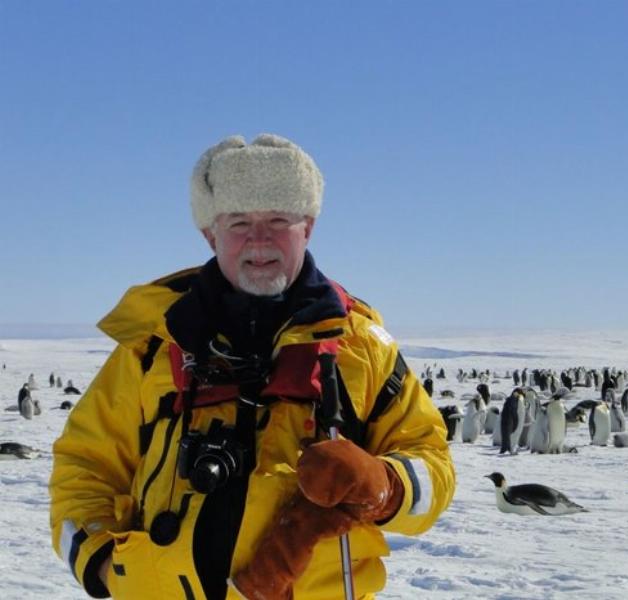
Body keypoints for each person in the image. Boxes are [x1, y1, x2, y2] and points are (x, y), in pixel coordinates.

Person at [50, 133, 455, 600]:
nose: (259, 239)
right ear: (211, 234)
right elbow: (84, 463)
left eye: (278, 219)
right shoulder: (154, 349)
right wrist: (100, 560)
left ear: (307, 228)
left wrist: (386, 485)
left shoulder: (361, 349)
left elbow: (433, 464)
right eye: (239, 222)